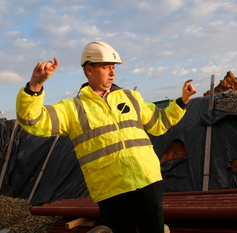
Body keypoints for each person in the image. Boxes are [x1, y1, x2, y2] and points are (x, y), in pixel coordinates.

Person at [16, 41, 197, 233]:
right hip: (111, 189)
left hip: (147, 180)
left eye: (113, 67)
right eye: (106, 67)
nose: (113, 72)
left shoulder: (130, 97)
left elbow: (159, 123)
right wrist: (35, 86)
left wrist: (182, 101)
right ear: (89, 70)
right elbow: (32, 121)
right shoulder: (72, 109)